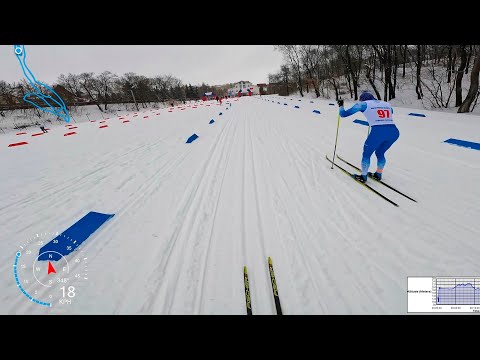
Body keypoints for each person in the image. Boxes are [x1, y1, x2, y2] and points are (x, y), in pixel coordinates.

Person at [337, 91, 400, 183]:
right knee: (380, 152)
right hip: (394, 132)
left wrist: (341, 105)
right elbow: (389, 113)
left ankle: (363, 176)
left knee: (367, 154)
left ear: (362, 99)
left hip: (378, 132)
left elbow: (343, 114)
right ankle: (378, 174)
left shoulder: (362, 104)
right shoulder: (386, 104)